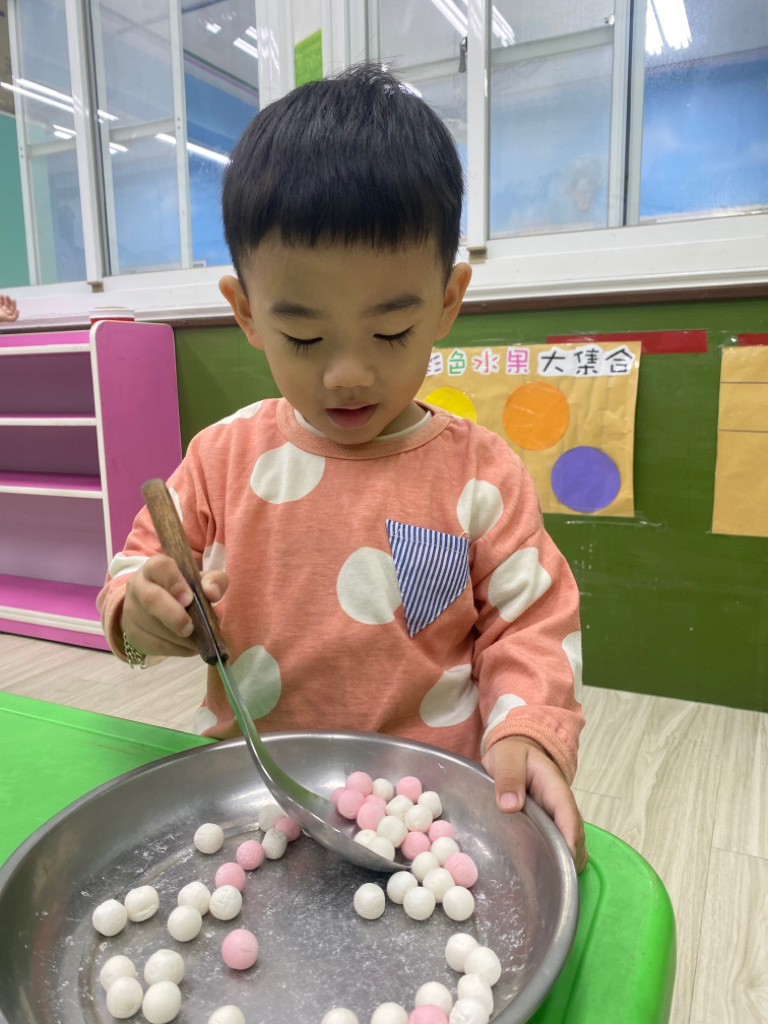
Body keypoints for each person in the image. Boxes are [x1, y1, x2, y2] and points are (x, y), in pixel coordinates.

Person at [97, 65, 587, 871]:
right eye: (305, 338)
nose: (348, 375)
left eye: (391, 333)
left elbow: (529, 623)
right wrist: (142, 614)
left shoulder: (481, 473)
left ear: (447, 301)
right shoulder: (221, 458)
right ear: (247, 313)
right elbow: (134, 574)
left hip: (430, 810)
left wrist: (528, 728)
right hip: (253, 793)